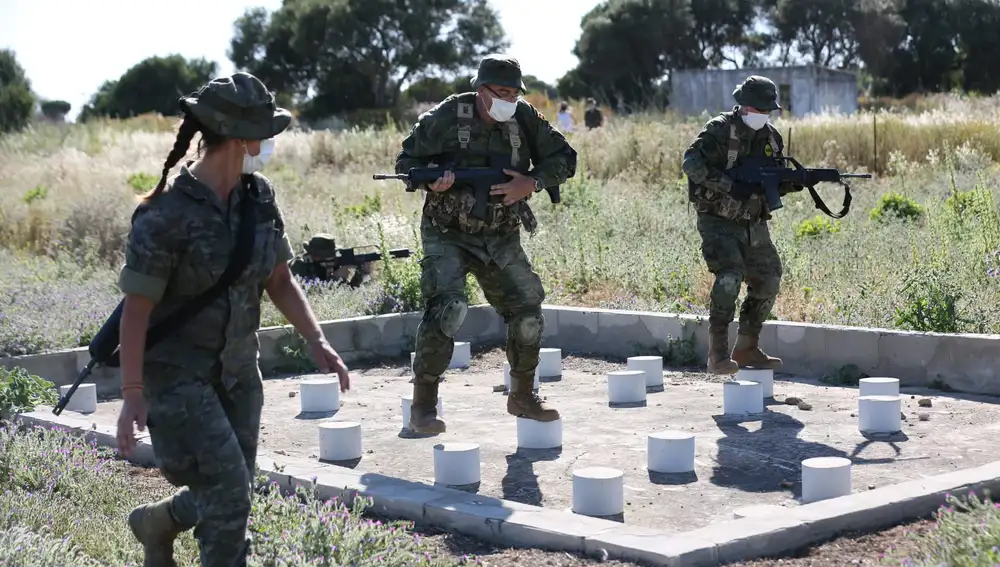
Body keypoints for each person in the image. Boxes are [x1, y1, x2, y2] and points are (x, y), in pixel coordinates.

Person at [114, 72, 351, 567]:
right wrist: (133, 393)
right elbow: (136, 311)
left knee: (234, 484)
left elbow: (279, 279)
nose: (269, 142)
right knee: (230, 492)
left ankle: (158, 522)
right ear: (239, 137)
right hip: (179, 377)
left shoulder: (258, 198)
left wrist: (317, 339)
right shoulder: (165, 215)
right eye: (264, 132)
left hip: (240, 371)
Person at [394, 53, 577, 434]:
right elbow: (405, 162)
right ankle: (423, 406)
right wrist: (430, 181)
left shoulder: (525, 118)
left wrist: (532, 183)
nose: (508, 100)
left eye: (514, 93)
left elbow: (565, 158)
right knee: (449, 308)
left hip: (500, 234)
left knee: (528, 311)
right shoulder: (447, 115)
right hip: (447, 231)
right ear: (481, 90)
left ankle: (522, 395)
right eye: (501, 92)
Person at [680, 75, 802, 375]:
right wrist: (728, 185)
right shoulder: (719, 130)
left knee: (769, 278)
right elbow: (690, 164)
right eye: (759, 109)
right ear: (744, 106)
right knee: (729, 277)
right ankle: (718, 353)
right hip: (718, 220)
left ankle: (747, 347)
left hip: (753, 222)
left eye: (767, 110)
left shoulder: (772, 138)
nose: (764, 114)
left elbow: (774, 180)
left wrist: (793, 181)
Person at [289, 233, 373, 288]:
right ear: (314, 255)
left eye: (332, 254)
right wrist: (336, 278)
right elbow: (313, 292)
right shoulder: (299, 265)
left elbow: (347, 292)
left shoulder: (332, 264)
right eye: (326, 256)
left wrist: (361, 275)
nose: (331, 258)